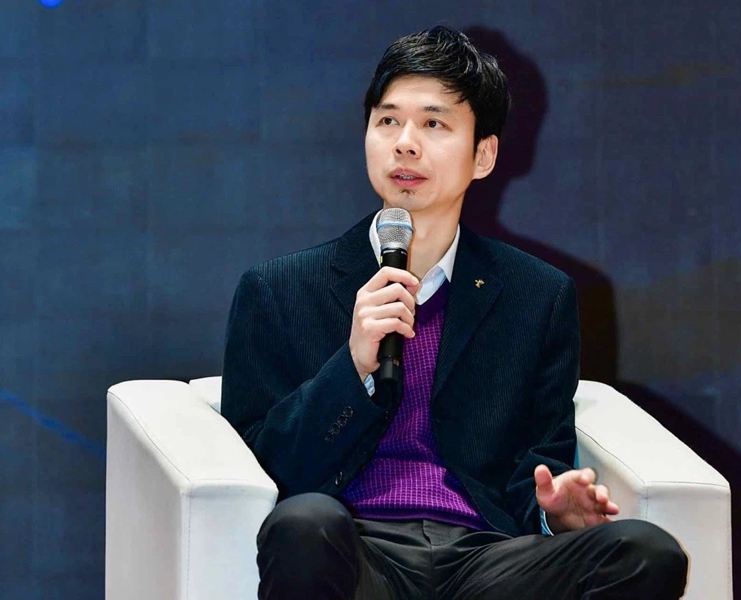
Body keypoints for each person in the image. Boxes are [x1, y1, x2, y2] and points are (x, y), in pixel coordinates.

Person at [222, 25, 687, 600]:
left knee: (646, 552)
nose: (405, 144)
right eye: (387, 121)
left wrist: (555, 514)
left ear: (483, 155)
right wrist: (352, 367)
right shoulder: (277, 289)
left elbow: (533, 468)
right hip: (352, 554)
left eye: (434, 124)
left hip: (486, 562)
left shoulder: (536, 296)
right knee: (304, 523)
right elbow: (264, 466)